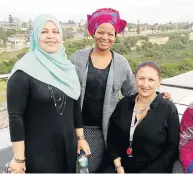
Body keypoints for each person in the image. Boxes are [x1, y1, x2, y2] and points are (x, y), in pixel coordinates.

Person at [70, 8, 171, 172]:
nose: (105, 37)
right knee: (83, 168)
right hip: (82, 128)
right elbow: (67, 93)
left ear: (115, 36)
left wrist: (158, 96)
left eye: (111, 34)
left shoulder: (121, 63)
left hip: (112, 129)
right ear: (93, 32)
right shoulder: (77, 59)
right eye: (101, 32)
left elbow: (132, 91)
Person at [6, 14, 90, 173]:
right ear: (36, 36)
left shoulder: (67, 69)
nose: (51, 36)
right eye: (44, 31)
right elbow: (15, 117)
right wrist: (19, 159)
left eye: (55, 31)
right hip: (39, 153)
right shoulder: (23, 71)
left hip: (68, 147)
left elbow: (74, 106)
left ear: (61, 36)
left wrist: (81, 138)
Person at [106, 61, 179, 173]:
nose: (145, 84)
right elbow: (112, 136)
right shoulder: (124, 103)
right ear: (135, 79)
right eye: (141, 78)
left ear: (159, 82)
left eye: (151, 80)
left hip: (153, 170)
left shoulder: (168, 109)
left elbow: (171, 149)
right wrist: (118, 165)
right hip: (119, 167)